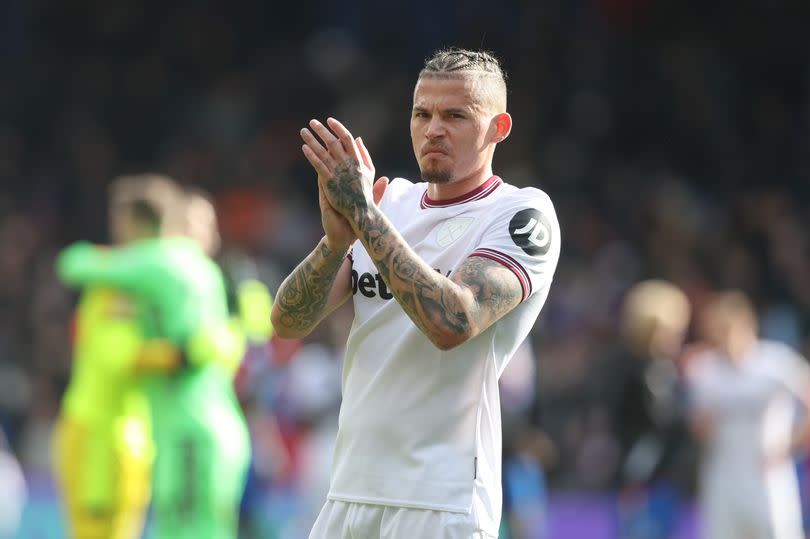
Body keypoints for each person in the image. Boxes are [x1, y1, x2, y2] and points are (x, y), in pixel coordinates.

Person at [271, 48, 561, 539]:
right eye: (421, 113)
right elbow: (288, 321)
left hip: (439, 499)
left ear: (499, 127)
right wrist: (336, 242)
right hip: (349, 489)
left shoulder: (520, 214)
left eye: (455, 115)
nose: (433, 129)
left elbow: (453, 322)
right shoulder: (390, 201)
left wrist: (363, 217)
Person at [57, 175, 254, 539]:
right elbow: (223, 344)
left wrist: (176, 357)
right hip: (194, 429)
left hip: (184, 434)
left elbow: (72, 264)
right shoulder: (209, 274)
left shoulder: (159, 264)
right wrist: (182, 354)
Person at [51, 175, 180, 539]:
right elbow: (116, 355)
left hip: (117, 434)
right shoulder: (117, 276)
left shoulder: (133, 278)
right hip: (102, 431)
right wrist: (180, 357)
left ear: (134, 222)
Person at [686, 290, 810, 539]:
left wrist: (793, 444)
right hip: (722, 477)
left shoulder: (776, 363)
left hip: (767, 476)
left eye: (727, 327)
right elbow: (697, 428)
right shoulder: (704, 371)